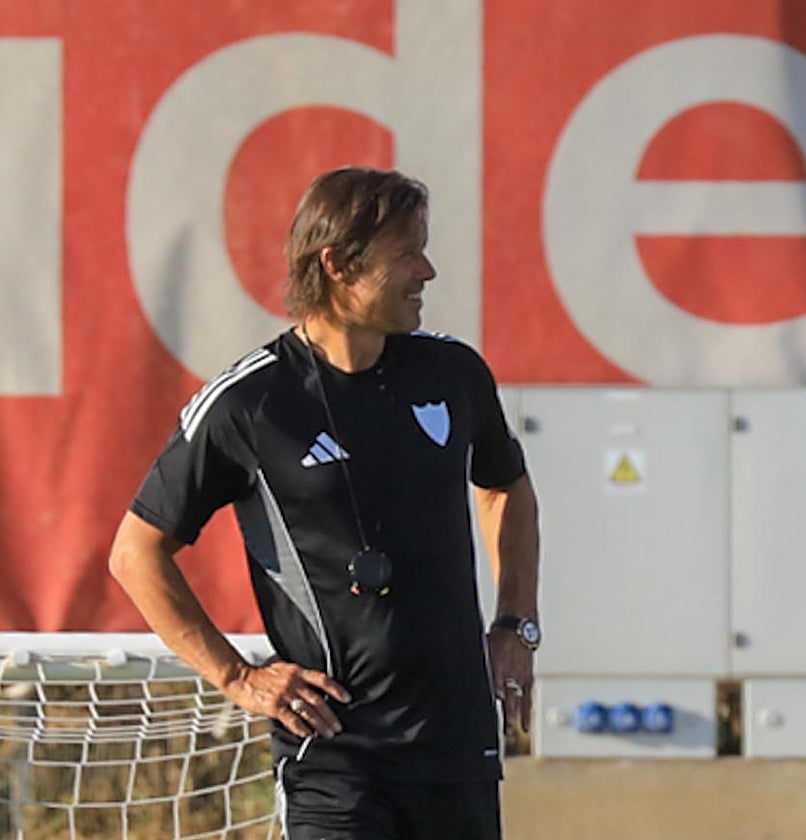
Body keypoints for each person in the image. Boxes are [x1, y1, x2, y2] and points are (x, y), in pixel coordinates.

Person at [108, 166, 541, 840]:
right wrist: (237, 678)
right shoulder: (249, 405)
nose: (426, 271)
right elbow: (136, 553)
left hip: (458, 745)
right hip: (335, 756)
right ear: (338, 264)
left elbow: (505, 486)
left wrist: (516, 622)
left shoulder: (453, 373)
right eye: (407, 254)